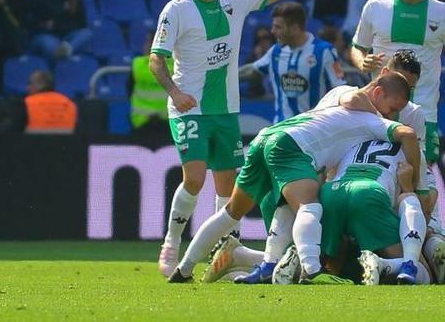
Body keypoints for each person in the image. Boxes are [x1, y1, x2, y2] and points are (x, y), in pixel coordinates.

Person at [148, 0, 342, 277]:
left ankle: (223, 253)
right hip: (189, 106)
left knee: (229, 190)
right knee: (194, 179)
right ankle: (172, 241)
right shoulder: (176, 9)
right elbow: (156, 60)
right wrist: (175, 92)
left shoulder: (234, 0)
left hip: (225, 110)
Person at [168, 72, 421, 284]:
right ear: (377, 94)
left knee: (232, 212)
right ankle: (312, 272)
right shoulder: (371, 119)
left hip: (267, 136)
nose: (392, 115)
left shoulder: (337, 95)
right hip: (292, 146)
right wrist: (415, 179)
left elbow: (349, 98)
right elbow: (407, 134)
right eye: (392, 107)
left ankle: (185, 269)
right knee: (309, 205)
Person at [351, 0, 445, 167]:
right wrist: (363, 62)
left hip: (424, 112)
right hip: (379, 110)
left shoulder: (441, 12)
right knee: (376, 174)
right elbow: (357, 48)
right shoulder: (375, 6)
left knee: (423, 178)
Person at [239, 2, 344, 123]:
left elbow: (340, 87)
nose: (272, 31)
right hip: (281, 128)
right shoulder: (276, 51)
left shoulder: (324, 51)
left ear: (295, 28)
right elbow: (252, 70)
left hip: (314, 129)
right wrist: (224, 77)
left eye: (278, 27)